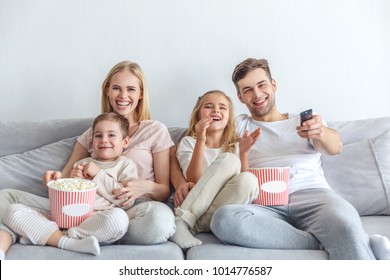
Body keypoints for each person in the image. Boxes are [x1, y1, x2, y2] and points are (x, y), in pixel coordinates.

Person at [208, 58, 390, 260]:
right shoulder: (239, 125)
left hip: (313, 196)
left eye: (262, 85)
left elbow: (335, 147)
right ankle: (323, 240)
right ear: (240, 97)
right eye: (248, 89)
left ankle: (349, 239)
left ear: (273, 85)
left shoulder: (304, 122)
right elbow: (206, 141)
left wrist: (320, 132)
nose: (257, 94)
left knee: (345, 225)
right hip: (263, 203)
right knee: (223, 220)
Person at [0, 61, 175, 260]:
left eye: (131, 89)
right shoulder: (92, 134)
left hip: (128, 211)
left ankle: (47, 232)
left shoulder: (155, 130)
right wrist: (54, 180)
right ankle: (65, 237)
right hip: (81, 208)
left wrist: (143, 187)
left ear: (141, 94)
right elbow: (65, 180)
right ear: (107, 91)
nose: (123, 96)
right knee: (5, 198)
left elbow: (163, 191)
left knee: (158, 222)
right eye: (116, 88)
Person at [3, 112, 137, 256]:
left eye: (111, 135)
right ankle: (67, 241)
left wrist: (98, 175)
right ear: (92, 141)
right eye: (98, 135)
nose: (104, 140)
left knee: (119, 219)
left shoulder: (126, 165)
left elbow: (126, 202)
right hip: (64, 214)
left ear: (125, 141)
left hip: (95, 220)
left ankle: (51, 235)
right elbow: (64, 196)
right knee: (12, 211)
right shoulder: (82, 163)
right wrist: (59, 182)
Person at [169, 90, 259, 249]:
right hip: (194, 204)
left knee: (250, 180)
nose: (216, 110)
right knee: (230, 160)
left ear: (229, 118)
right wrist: (200, 141)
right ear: (198, 115)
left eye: (222, 108)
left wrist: (244, 152)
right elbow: (194, 180)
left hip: (211, 214)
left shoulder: (236, 146)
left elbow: (244, 188)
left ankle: (193, 226)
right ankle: (182, 220)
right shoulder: (189, 142)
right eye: (209, 106)